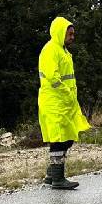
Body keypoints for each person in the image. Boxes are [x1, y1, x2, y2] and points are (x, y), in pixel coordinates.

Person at [38, 16, 91, 190]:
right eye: (70, 34)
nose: (73, 37)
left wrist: (69, 96)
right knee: (58, 140)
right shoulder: (50, 50)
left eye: (73, 34)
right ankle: (58, 179)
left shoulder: (63, 51)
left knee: (68, 138)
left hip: (65, 103)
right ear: (61, 32)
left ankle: (51, 174)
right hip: (54, 103)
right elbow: (53, 77)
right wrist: (66, 92)